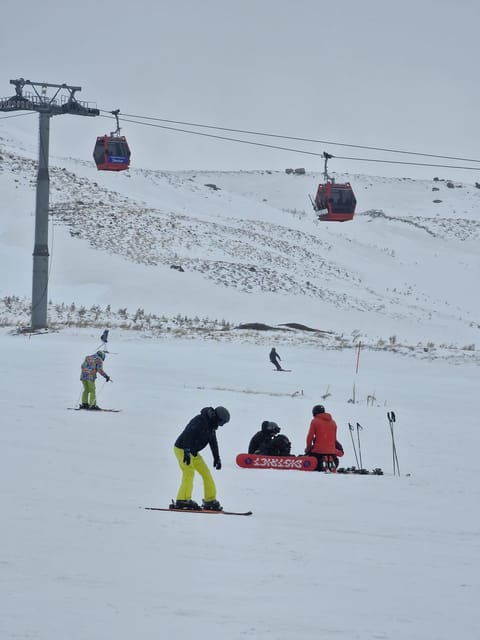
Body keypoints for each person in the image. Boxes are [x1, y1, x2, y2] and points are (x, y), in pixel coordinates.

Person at [172, 406, 230, 511]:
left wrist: (217, 458)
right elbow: (188, 434)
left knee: (206, 473)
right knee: (189, 472)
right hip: (182, 449)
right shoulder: (199, 420)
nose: (220, 426)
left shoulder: (211, 425)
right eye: (221, 423)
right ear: (216, 417)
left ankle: (210, 500)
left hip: (193, 452)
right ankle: (182, 500)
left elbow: (213, 442)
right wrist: (186, 451)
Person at [305, 404, 344, 471]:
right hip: (332, 453)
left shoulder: (315, 421)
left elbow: (310, 437)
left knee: (310, 458)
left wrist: (308, 449)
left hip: (318, 454)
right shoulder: (333, 422)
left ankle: (322, 462)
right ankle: (330, 462)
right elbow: (334, 439)